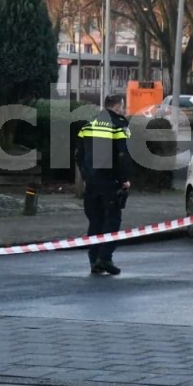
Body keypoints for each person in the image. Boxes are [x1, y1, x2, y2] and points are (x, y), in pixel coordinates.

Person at [78, 94, 133, 276]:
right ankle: (105, 258)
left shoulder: (90, 123)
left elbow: (79, 154)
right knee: (112, 220)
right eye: (122, 107)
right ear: (117, 107)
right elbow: (123, 155)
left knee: (95, 221)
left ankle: (94, 260)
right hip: (110, 181)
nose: (123, 110)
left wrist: (85, 176)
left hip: (92, 181)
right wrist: (124, 178)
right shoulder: (119, 125)